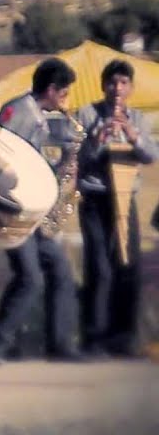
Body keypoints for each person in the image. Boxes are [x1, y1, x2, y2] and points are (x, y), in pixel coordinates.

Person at [0, 58, 84, 365]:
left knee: (59, 269)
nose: (65, 101)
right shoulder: (19, 112)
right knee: (30, 278)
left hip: (32, 211)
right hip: (14, 209)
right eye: (64, 94)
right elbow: (1, 156)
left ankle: (59, 344)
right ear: (51, 90)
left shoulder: (37, 117)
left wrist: (61, 167)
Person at [74, 59, 158, 358]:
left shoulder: (139, 117)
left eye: (123, 83)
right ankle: (94, 340)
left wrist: (132, 133)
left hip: (126, 199)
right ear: (103, 86)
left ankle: (122, 339)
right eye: (112, 82)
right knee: (99, 269)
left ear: (131, 88)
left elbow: (150, 155)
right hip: (96, 198)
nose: (117, 89)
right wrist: (99, 136)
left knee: (128, 268)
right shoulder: (86, 113)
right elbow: (79, 158)